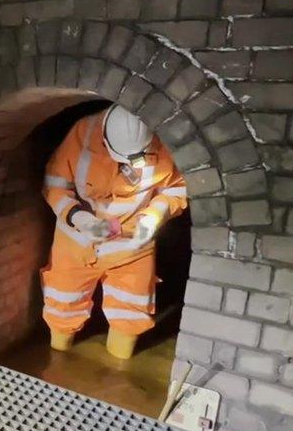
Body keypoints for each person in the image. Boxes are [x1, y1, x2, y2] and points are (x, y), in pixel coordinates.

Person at [40, 104, 187, 359]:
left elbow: (175, 189)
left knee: (130, 312)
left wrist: (153, 218)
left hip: (132, 245)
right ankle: (58, 358)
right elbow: (55, 183)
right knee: (63, 303)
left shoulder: (161, 143)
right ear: (105, 139)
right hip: (77, 240)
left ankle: (119, 363)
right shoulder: (82, 134)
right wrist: (78, 216)